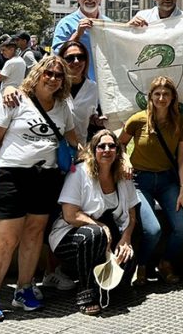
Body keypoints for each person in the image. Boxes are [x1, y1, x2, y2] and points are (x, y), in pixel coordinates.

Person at [0, 55, 79, 323]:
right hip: (12, 173)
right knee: (6, 238)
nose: (53, 79)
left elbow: (72, 140)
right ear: (38, 74)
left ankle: (24, 288)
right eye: (49, 73)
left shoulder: (62, 106)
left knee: (34, 235)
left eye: (59, 75)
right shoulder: (15, 99)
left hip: (45, 176)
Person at [49, 129, 138, 315]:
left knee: (127, 259)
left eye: (112, 146)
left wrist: (126, 239)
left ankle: (104, 286)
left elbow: (131, 214)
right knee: (94, 234)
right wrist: (100, 226)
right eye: (101, 146)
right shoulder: (79, 172)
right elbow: (70, 214)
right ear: (93, 149)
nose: (107, 150)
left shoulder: (123, 175)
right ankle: (86, 292)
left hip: (108, 236)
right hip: (70, 234)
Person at [118, 76, 183, 287]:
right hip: (141, 181)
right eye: (157, 94)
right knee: (153, 229)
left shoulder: (180, 121)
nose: (161, 98)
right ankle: (141, 264)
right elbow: (120, 143)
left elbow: (182, 157)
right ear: (150, 97)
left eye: (166, 94)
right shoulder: (138, 119)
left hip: (168, 180)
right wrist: (125, 161)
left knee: (182, 228)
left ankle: (165, 263)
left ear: (172, 97)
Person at [53, 0, 110, 81]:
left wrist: (131, 28)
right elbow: (57, 57)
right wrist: (77, 35)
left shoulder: (110, 24)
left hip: (106, 87)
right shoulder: (65, 24)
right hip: (77, 89)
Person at [57, 40, 103, 144]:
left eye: (81, 57)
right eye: (70, 58)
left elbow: (89, 116)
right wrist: (11, 88)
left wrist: (97, 121)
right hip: (52, 148)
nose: (76, 61)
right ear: (61, 61)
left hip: (79, 148)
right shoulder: (54, 85)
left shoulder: (93, 88)